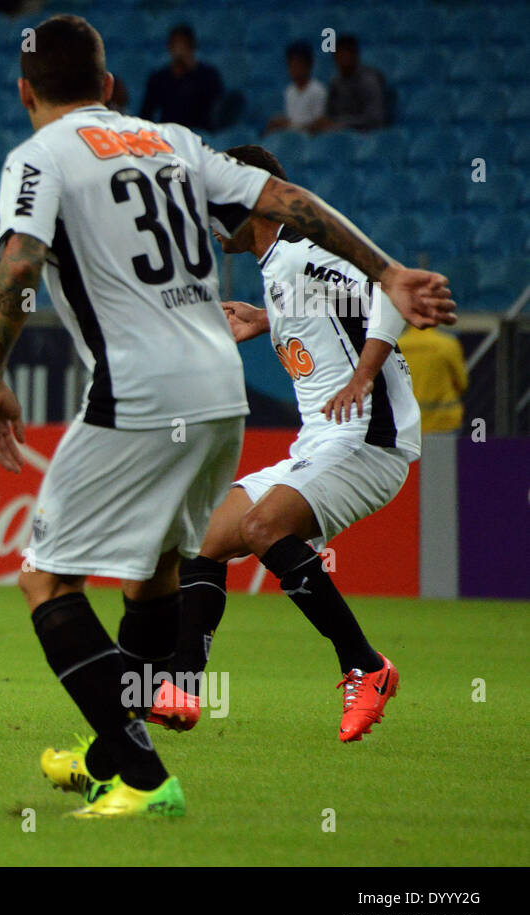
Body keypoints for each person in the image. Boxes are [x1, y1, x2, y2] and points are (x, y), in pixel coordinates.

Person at [0, 15, 453, 818]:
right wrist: (390, 268)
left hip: (139, 390)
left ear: (24, 92)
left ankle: (141, 774)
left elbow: (20, 260)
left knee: (45, 578)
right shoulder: (173, 141)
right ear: (112, 88)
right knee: (158, 576)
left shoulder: (38, 158)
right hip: (217, 394)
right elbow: (290, 198)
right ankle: (131, 735)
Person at [157, 144, 421, 744]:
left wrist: (362, 376)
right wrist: (264, 320)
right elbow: (328, 317)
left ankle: (366, 667)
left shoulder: (307, 251)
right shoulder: (281, 267)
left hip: (369, 439)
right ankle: (180, 687)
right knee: (199, 541)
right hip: (321, 442)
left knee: (260, 528)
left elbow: (388, 293)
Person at [139, 23, 224, 132]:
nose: (179, 51)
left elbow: (218, 112)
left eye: (184, 46)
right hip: (169, 137)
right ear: (169, 48)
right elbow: (146, 113)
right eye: (175, 45)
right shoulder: (159, 78)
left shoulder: (208, 76)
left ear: (192, 47)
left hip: (200, 136)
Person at [397, 326, 467, 433]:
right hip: (444, 422)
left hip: (405, 424)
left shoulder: (396, 346)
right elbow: (462, 384)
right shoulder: (447, 344)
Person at [313, 35, 388, 132]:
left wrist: (341, 123)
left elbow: (375, 119)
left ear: (355, 54)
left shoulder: (369, 80)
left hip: (367, 135)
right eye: (339, 54)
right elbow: (330, 114)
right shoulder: (335, 81)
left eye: (347, 53)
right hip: (341, 132)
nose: (343, 58)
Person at [265, 41, 326, 133]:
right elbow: (293, 119)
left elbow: (319, 124)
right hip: (294, 136)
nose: (295, 69)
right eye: (292, 65)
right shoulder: (289, 91)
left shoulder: (318, 90)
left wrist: (292, 126)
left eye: (299, 65)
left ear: (308, 66)